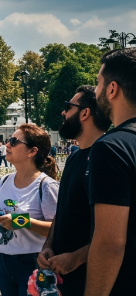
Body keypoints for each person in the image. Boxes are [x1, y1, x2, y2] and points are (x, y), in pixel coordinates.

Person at [36, 86, 109, 296]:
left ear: (85, 113)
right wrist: (48, 246)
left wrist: (76, 258)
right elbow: (63, 210)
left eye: (68, 107)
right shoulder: (74, 157)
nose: (63, 112)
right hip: (62, 275)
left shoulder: (105, 157)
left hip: (92, 279)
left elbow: (116, 231)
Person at [0, 124, 59, 296]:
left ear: (32, 151)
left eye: (14, 141)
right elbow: (2, 216)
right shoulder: (5, 180)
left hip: (33, 263)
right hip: (5, 262)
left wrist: (21, 221)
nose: (7, 145)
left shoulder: (46, 186)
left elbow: (58, 230)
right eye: (9, 140)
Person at [86, 48, 136, 295]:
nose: (96, 91)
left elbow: (110, 244)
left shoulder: (111, 148)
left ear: (112, 89)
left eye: (98, 83)